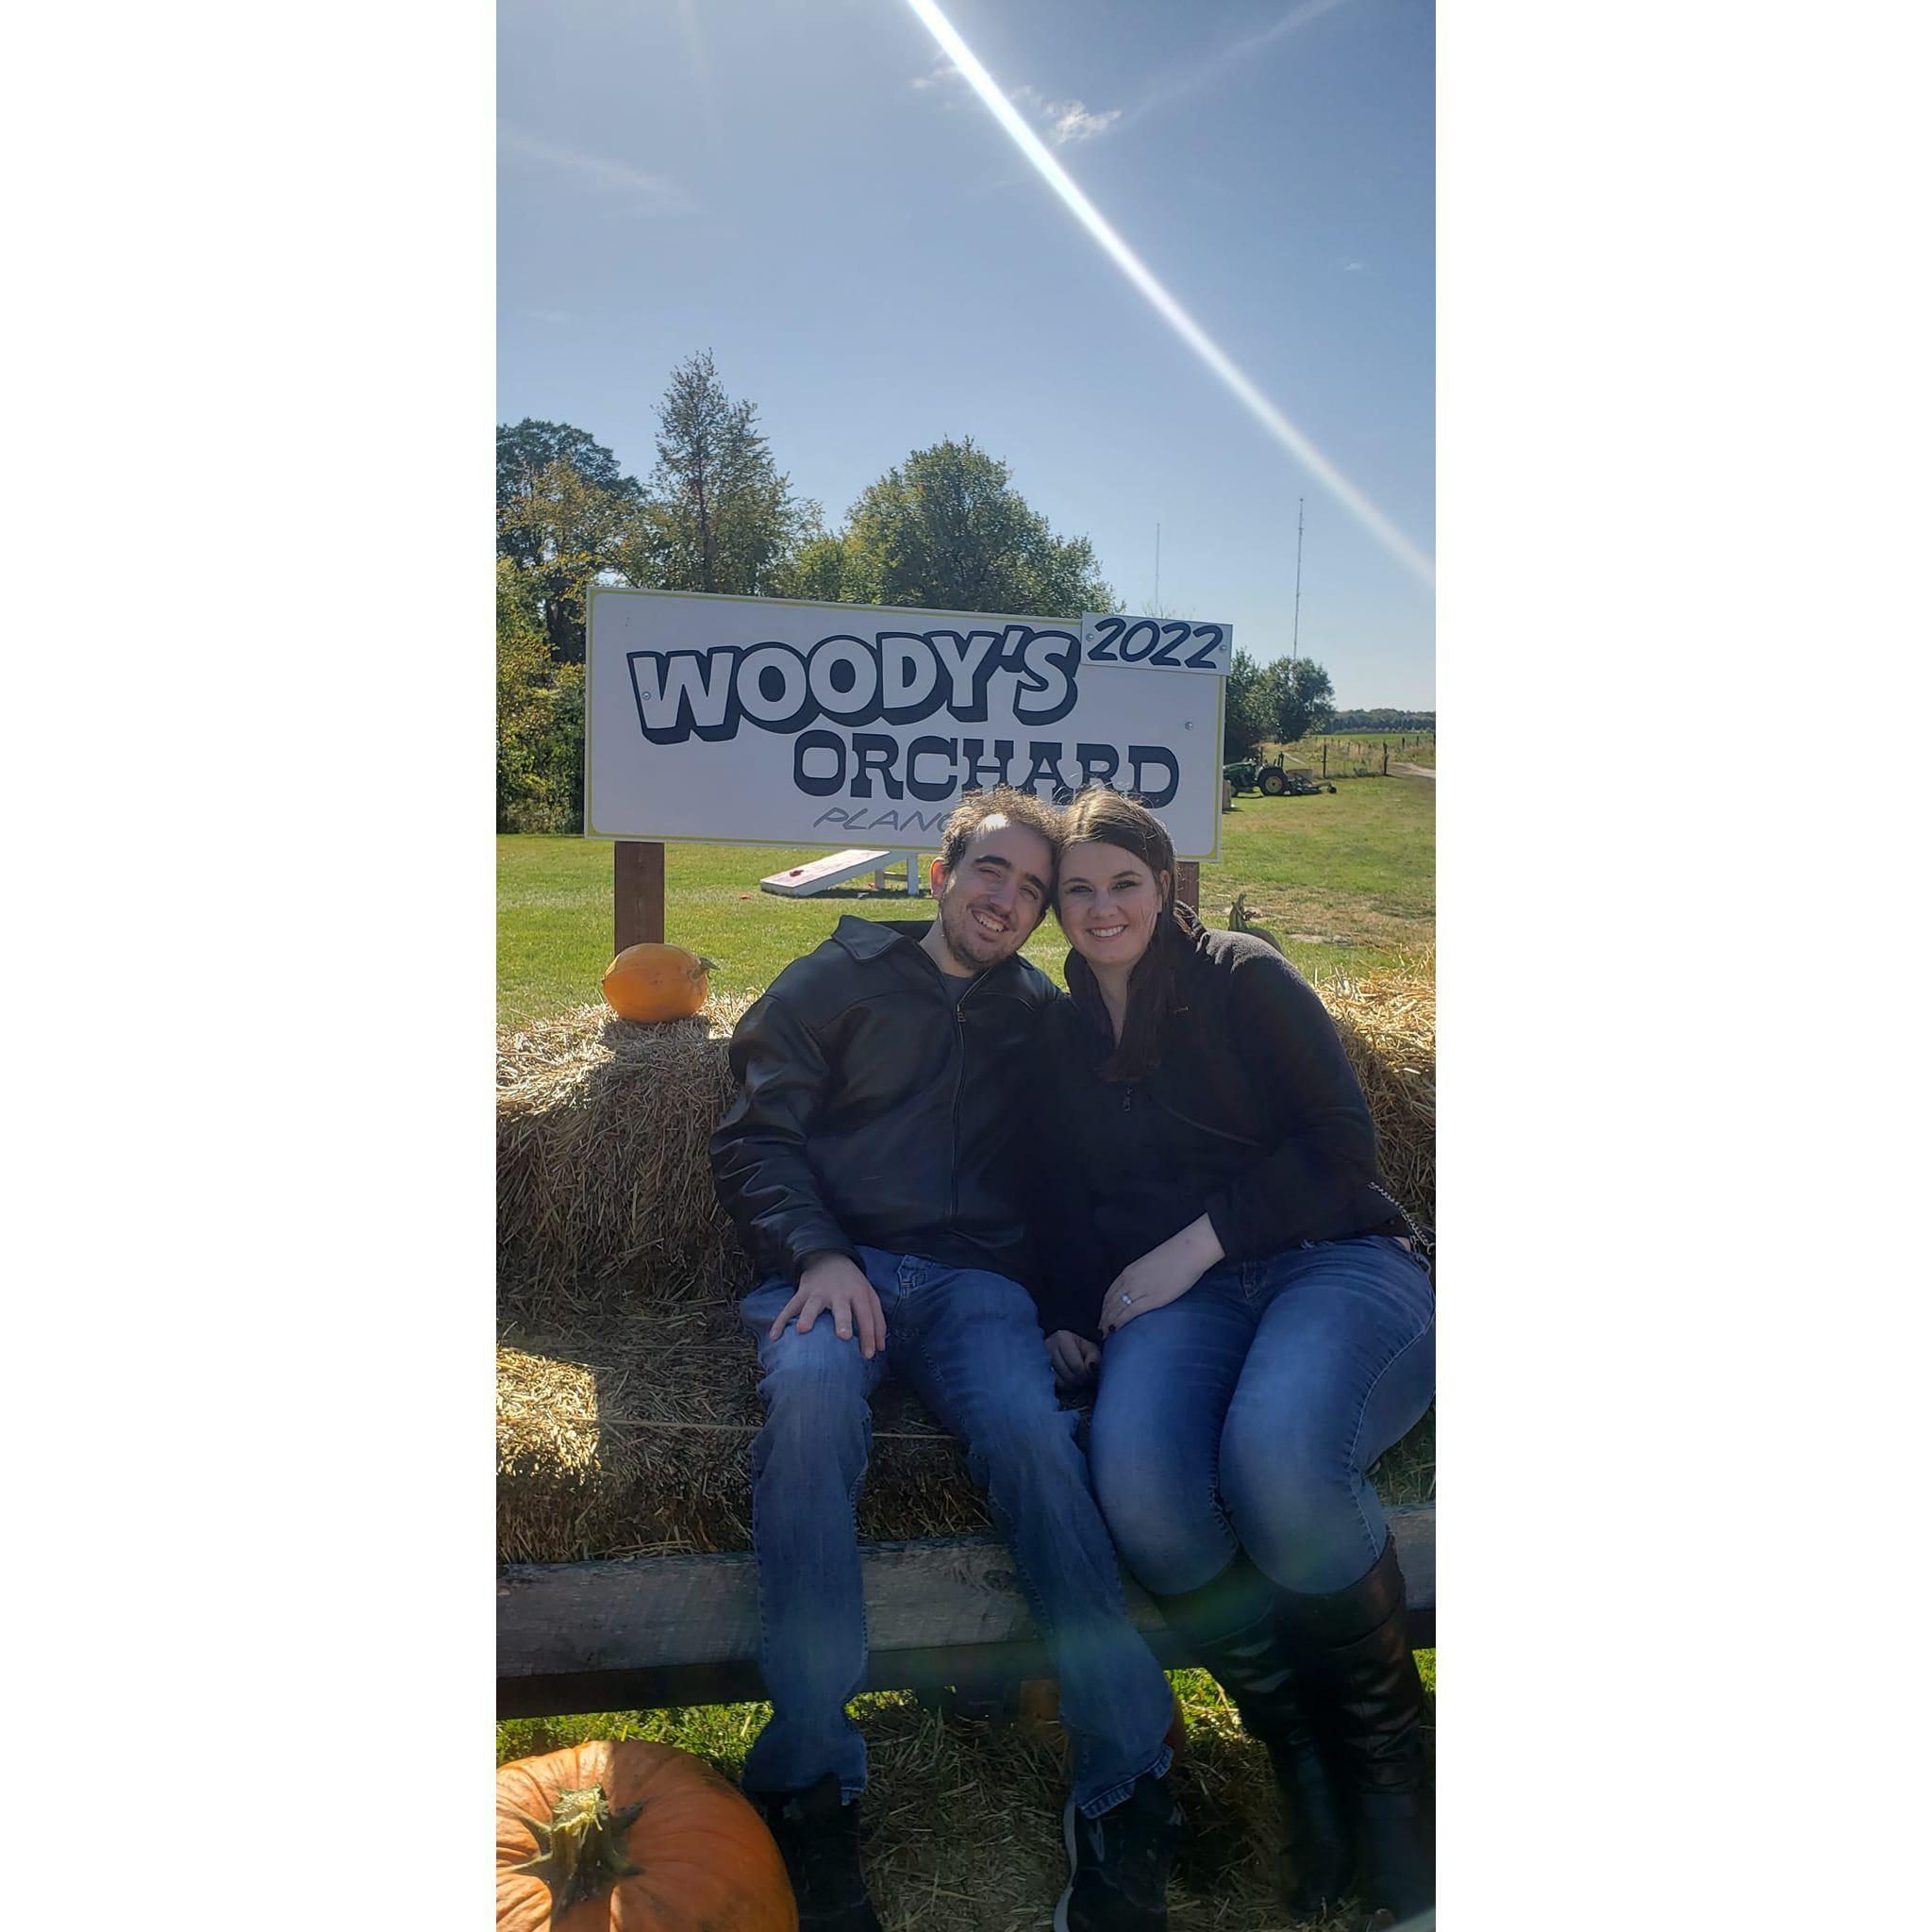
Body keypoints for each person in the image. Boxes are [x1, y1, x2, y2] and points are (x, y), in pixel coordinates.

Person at [711, 785, 1182, 1932]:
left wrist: (1066, 1302)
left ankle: (1124, 1770)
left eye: (1031, 889)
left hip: (973, 1286)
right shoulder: (832, 983)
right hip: (837, 1271)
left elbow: (1070, 1169)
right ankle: (809, 1773)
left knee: (1031, 1426)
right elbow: (754, 1136)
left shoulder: (1038, 1011)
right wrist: (819, 1253)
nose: (1010, 901)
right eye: (993, 874)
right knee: (815, 1400)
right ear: (940, 873)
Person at [1031, 785, 1437, 1930]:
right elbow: (1054, 1189)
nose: (1102, 907)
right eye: (1079, 889)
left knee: (1277, 1460)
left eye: (1124, 882)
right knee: (1145, 1492)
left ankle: (1395, 1782)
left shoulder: (1241, 974)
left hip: (1332, 1261)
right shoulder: (1058, 1027)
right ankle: (1298, 1758)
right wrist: (1065, 1302)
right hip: (1183, 1301)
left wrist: (1193, 1247)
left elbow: (1340, 1144)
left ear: (1164, 884)